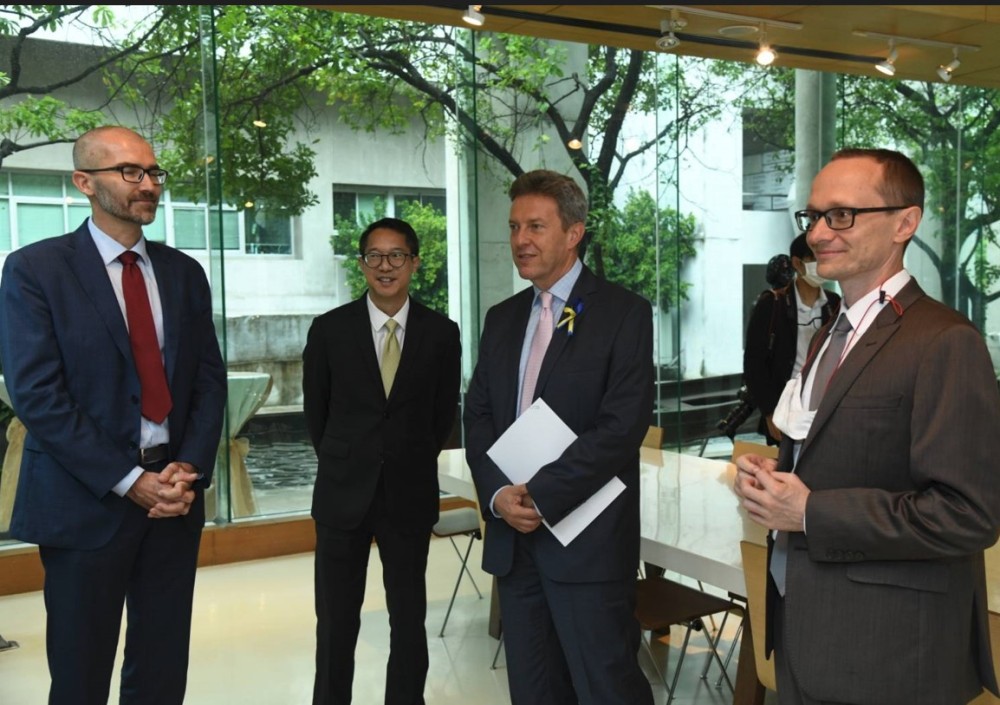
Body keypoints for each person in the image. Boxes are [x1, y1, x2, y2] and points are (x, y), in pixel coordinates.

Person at [733, 147, 1000, 705]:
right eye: (813, 216)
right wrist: (778, 476)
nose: (817, 234)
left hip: (889, 651)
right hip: (805, 631)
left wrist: (810, 512)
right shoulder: (832, 332)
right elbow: (841, 457)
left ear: (905, 223)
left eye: (842, 215)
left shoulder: (945, 341)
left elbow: (967, 515)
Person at [0, 125, 228, 704]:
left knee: (160, 671)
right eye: (130, 172)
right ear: (84, 182)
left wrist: (188, 467)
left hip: (173, 500)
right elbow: (38, 395)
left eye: (153, 172)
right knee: (80, 675)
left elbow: (208, 382)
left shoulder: (184, 273)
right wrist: (130, 481)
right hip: (84, 503)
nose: (148, 184)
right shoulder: (34, 270)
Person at [464, 169, 655, 705]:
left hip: (588, 545)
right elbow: (478, 415)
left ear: (574, 233)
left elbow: (621, 428)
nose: (520, 240)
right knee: (534, 690)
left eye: (536, 226)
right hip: (514, 542)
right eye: (514, 227)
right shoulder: (502, 319)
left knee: (607, 689)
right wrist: (499, 496)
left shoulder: (624, 313)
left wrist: (542, 494)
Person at [302, 216, 461, 705]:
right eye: (374, 255)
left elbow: (443, 416)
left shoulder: (441, 333)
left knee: (409, 619)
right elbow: (316, 413)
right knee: (335, 620)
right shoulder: (329, 330)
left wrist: (405, 457)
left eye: (396, 256)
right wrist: (352, 459)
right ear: (362, 264)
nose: (385, 266)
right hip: (342, 495)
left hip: (408, 495)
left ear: (414, 263)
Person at [743, 233, 840, 445]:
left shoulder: (834, 304)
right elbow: (754, 363)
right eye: (814, 257)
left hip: (822, 407)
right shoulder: (772, 303)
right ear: (797, 263)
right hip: (784, 408)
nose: (822, 262)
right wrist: (769, 411)